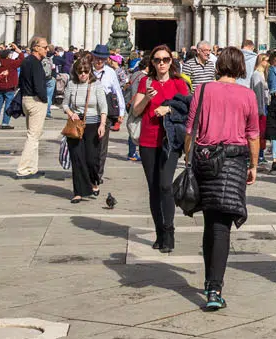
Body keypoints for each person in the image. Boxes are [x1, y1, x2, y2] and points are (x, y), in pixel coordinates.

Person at [191, 49, 260, 311]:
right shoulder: (248, 95)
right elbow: (253, 134)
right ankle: (214, 288)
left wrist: (189, 159)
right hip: (233, 161)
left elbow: (191, 129)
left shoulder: (203, 90)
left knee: (211, 222)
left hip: (206, 160)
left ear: (218, 65)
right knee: (222, 226)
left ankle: (211, 281)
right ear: (242, 67)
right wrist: (253, 165)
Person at [132, 45, 191, 253]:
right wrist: (147, 97)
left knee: (166, 184)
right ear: (152, 63)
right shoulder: (144, 82)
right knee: (154, 188)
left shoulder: (179, 84)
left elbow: (188, 111)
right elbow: (136, 111)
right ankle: (159, 233)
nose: (162, 63)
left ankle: (169, 230)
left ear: (171, 62)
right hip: (148, 141)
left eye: (165, 59)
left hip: (170, 142)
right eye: (157, 60)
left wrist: (170, 108)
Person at [61, 56, 107, 203]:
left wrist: (102, 124)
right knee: (77, 158)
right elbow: (65, 104)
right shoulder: (71, 84)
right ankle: (78, 192)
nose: (83, 74)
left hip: (93, 125)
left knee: (92, 159)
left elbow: (103, 107)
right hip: (75, 125)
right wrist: (71, 113)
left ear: (90, 72)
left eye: (85, 71)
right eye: (80, 71)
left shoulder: (96, 85)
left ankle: (94, 181)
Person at [90, 46, 125, 184]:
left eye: (102, 58)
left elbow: (117, 91)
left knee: (101, 146)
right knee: (88, 144)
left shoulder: (110, 72)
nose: (99, 61)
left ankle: (98, 175)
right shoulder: (86, 70)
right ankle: (89, 172)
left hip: (106, 113)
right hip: (90, 111)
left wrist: (121, 112)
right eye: (97, 57)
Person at [16, 37, 51, 178]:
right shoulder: (35, 63)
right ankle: (23, 169)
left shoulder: (26, 61)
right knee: (32, 136)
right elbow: (38, 85)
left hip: (26, 98)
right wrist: (44, 99)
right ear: (36, 47)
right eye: (45, 47)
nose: (47, 49)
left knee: (35, 135)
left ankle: (32, 167)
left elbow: (21, 81)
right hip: (35, 101)